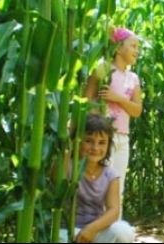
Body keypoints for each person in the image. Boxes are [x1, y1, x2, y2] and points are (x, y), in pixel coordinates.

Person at [84, 27, 142, 204]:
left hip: (122, 139)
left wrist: (117, 98)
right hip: (101, 138)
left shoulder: (133, 79)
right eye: (132, 46)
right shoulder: (102, 70)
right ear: (118, 48)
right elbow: (86, 100)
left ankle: (114, 229)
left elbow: (137, 111)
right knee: (98, 187)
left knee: (118, 187)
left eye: (137, 47)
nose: (136, 51)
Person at [60, 114, 135, 243]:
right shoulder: (68, 166)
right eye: (88, 141)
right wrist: (69, 145)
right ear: (77, 141)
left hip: (95, 230)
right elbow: (56, 179)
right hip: (66, 230)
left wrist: (90, 230)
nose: (95, 148)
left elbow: (113, 210)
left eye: (102, 143)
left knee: (124, 231)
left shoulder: (110, 175)